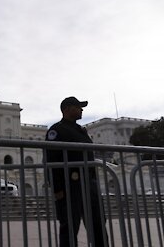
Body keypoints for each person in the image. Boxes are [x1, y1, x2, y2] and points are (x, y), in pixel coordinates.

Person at [45, 96, 107, 247]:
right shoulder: (56, 130)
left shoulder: (81, 130)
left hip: (89, 184)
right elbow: (51, 160)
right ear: (67, 109)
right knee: (70, 228)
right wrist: (57, 188)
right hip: (69, 185)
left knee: (98, 225)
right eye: (78, 106)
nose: (82, 109)